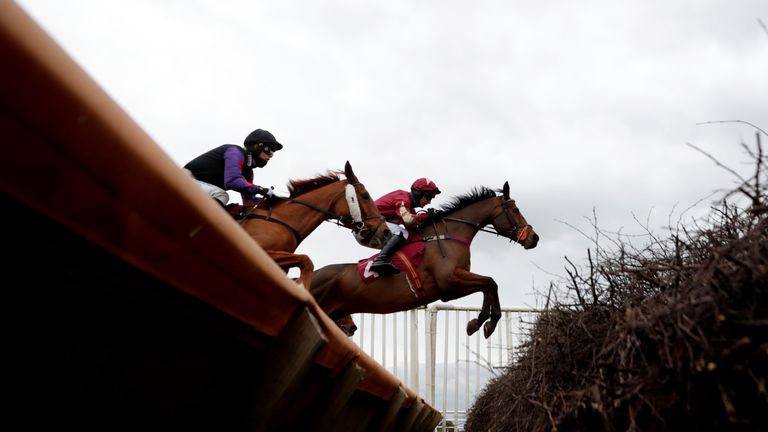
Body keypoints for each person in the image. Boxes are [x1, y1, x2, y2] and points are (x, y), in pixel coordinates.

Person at [184, 128, 283, 207]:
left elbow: (249, 201)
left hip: (199, 187)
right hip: (184, 179)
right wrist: (260, 189)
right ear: (256, 146)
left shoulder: (248, 171)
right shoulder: (235, 152)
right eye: (268, 149)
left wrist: (273, 202)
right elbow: (232, 181)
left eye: (272, 153)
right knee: (222, 195)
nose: (270, 155)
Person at [368, 177, 441, 275]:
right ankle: (379, 260)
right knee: (402, 233)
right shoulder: (403, 197)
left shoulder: (410, 207)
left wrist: (429, 220)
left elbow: (414, 229)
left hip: (374, 227)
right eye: (429, 197)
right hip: (369, 226)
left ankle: (387, 260)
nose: (429, 202)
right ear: (418, 193)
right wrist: (426, 215)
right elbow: (408, 219)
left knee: (407, 236)